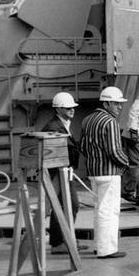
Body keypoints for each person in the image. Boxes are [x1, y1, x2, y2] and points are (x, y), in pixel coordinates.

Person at [80, 86, 130, 259]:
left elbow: (83, 147)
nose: (119, 107)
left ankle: (98, 246)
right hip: (110, 173)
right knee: (109, 211)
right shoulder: (110, 122)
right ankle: (107, 250)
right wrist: (127, 163)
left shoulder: (87, 120)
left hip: (94, 172)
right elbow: (114, 152)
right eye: (116, 104)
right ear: (106, 103)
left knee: (99, 209)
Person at [44, 92, 89, 254]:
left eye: (72, 107)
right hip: (58, 174)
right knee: (68, 205)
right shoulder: (53, 127)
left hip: (64, 172)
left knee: (68, 205)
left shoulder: (63, 124)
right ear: (58, 109)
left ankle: (65, 239)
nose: (72, 110)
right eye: (68, 108)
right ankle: (58, 243)